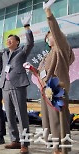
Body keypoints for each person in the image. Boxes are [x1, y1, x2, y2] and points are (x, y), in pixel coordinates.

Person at [24, 1, 75, 154]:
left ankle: (62, 149)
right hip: (45, 92)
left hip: (57, 91)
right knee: (49, 121)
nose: (48, 38)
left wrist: (48, 13)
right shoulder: (47, 55)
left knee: (59, 121)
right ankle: (55, 147)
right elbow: (41, 74)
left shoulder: (61, 50)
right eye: (46, 37)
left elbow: (57, 33)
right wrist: (33, 70)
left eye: (50, 35)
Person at [0, 13, 34, 153]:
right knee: (9, 115)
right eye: (7, 40)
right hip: (5, 86)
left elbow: (30, 43)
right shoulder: (3, 53)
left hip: (18, 86)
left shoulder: (21, 52)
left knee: (21, 115)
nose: (8, 41)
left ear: (17, 42)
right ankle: (14, 140)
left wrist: (27, 27)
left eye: (11, 40)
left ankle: (25, 144)